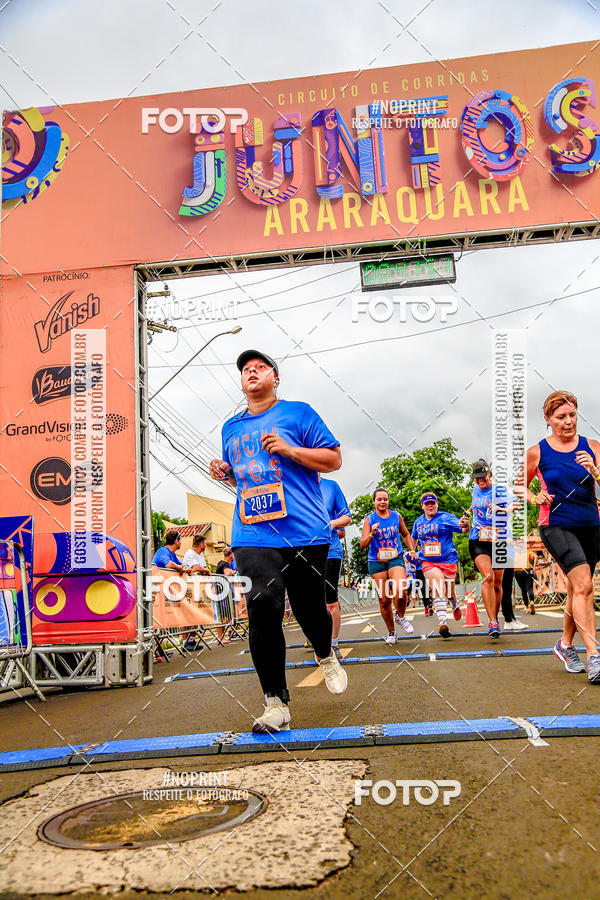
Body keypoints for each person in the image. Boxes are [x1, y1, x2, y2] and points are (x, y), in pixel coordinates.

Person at [209, 349, 347, 734]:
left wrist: (290, 450)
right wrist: (224, 472)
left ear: (275, 377)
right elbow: (243, 478)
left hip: (304, 528)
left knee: (309, 609)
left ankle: (325, 653)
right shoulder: (230, 428)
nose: (251, 372)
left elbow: (333, 459)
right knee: (263, 605)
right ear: (241, 382)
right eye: (245, 370)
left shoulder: (299, 413)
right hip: (252, 530)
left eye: (260, 367)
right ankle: (275, 703)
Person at [518, 391, 600, 682]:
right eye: (561, 417)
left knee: (581, 589)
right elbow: (519, 485)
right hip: (556, 526)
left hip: (591, 525)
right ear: (549, 420)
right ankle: (594, 656)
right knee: (583, 583)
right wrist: (533, 496)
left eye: (572, 415)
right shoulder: (537, 452)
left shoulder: (592, 446)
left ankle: (565, 645)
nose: (568, 421)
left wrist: (595, 471)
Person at [460, 460, 512, 639]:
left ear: (489, 473)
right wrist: (465, 517)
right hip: (478, 539)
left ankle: (494, 618)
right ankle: (492, 622)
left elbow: (515, 506)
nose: (479, 481)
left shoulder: (499, 490)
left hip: (498, 539)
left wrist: (500, 509)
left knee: (498, 584)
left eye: (482, 477)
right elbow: (474, 506)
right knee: (488, 577)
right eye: (476, 478)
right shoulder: (475, 490)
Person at [360, 487, 416, 644]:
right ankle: (391, 632)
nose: (382, 501)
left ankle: (401, 616)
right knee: (384, 600)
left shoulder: (396, 516)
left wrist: (411, 550)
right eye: (379, 499)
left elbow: (405, 534)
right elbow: (363, 544)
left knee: (401, 589)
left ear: (388, 501)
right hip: (376, 562)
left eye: (385, 499)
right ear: (374, 501)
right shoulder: (369, 520)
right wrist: (371, 533)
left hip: (395, 557)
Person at [411, 492, 468, 638]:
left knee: (449, 592)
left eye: (432, 503)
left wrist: (465, 525)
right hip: (428, 562)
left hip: (448, 560)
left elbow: (462, 529)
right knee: (438, 588)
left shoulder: (446, 517)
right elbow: (413, 538)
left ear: (437, 504)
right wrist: (412, 551)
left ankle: (454, 604)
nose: (430, 506)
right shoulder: (418, 522)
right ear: (422, 506)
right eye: (427, 503)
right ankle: (443, 623)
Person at [320, 475, 352, 661]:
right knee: (311, 601)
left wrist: (331, 523)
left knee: (330, 601)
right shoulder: (295, 484)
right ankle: (317, 638)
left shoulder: (331, 487)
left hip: (330, 550)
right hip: (303, 552)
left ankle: (333, 644)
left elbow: (346, 517)